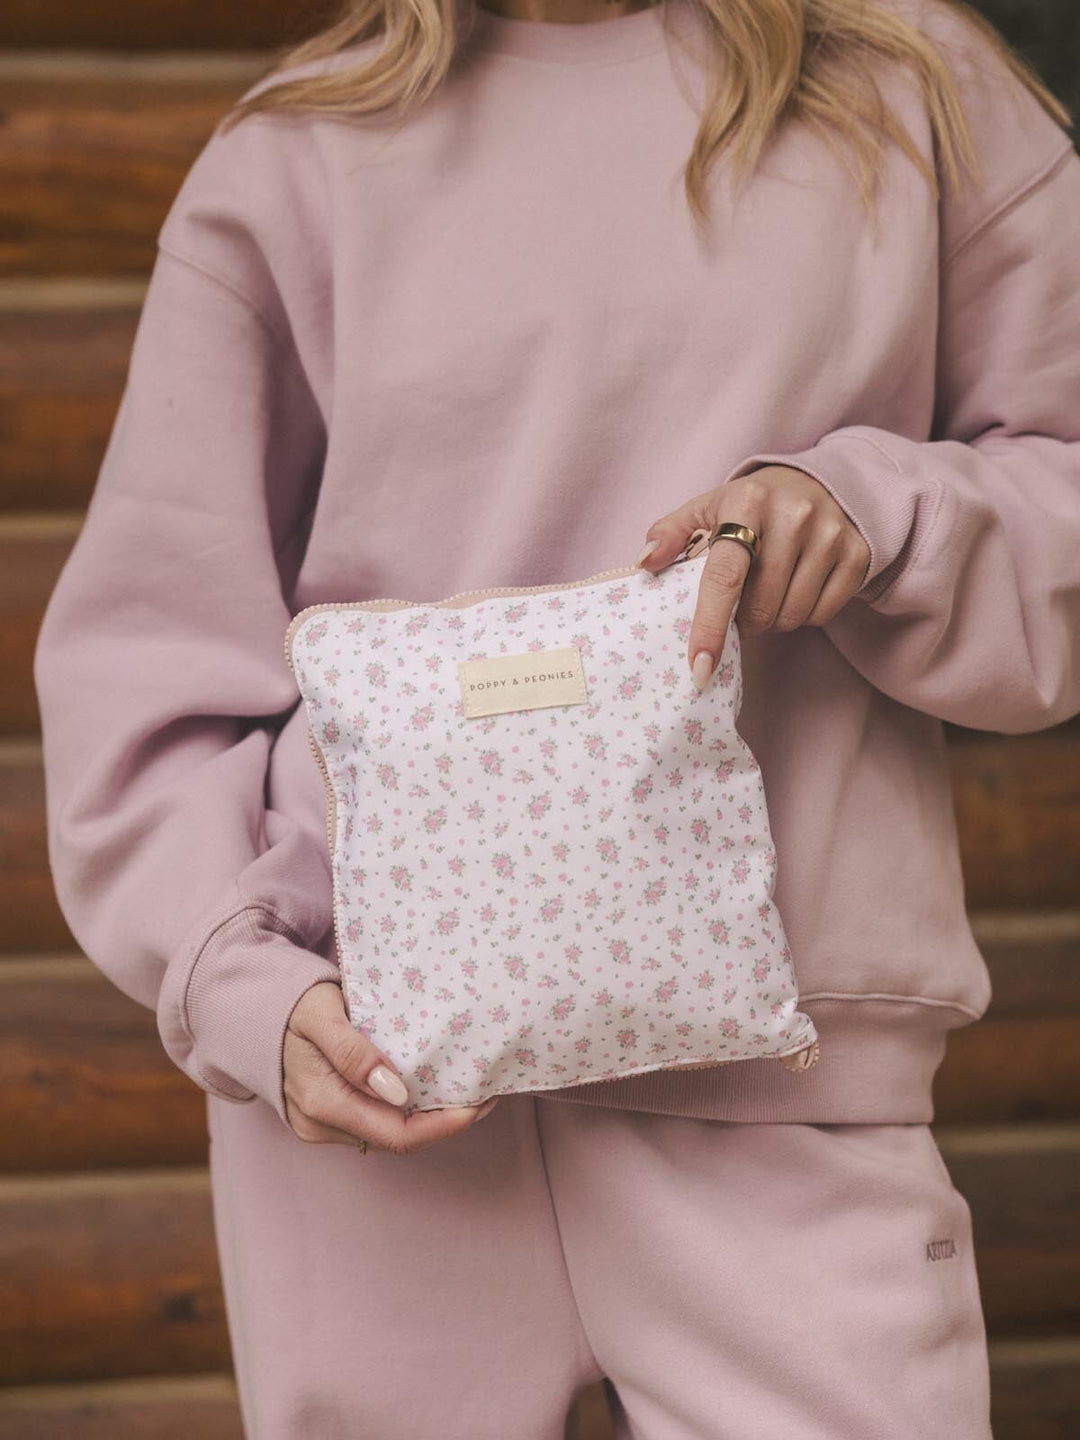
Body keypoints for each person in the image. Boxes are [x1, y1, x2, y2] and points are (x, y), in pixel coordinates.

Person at [33, 0, 1080, 1434]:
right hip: (374, 1095)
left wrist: (879, 511)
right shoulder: (295, 155)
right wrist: (243, 986)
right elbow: (149, 657)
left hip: (781, 1095)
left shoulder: (908, 84)